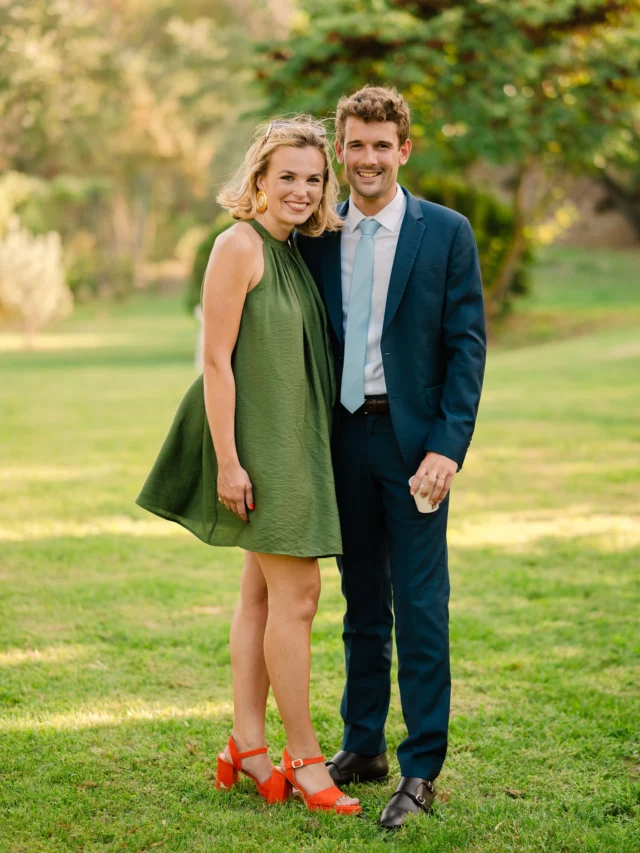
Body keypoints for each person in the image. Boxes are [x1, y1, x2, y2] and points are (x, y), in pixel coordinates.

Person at [135, 117, 361, 815]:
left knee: (261, 598)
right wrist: (229, 462)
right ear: (257, 179)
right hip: (260, 449)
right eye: (286, 176)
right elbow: (215, 361)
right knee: (299, 599)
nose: (300, 189)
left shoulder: (291, 250)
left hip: (295, 442)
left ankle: (247, 743)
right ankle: (304, 757)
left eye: (313, 178)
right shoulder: (238, 246)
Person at [297, 86, 487, 829]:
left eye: (382, 144)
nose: (368, 158)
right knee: (361, 604)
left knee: (420, 605)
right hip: (341, 439)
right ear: (339, 152)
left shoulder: (445, 233)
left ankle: (421, 766)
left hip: (415, 449)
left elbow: (466, 345)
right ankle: (364, 743)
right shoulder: (316, 234)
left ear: (404, 149)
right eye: (356, 144)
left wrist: (448, 445)